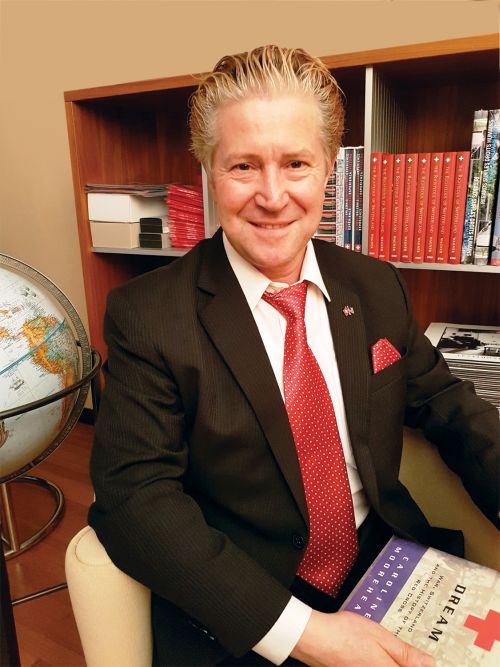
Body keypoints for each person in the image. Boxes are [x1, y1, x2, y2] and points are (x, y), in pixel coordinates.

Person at [89, 45, 499, 667]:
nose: (273, 196)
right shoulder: (147, 316)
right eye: (244, 166)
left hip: (386, 565)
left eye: (296, 163)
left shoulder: (375, 285)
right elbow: (133, 500)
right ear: (209, 171)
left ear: (329, 168)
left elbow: (447, 403)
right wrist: (308, 635)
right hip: (245, 608)